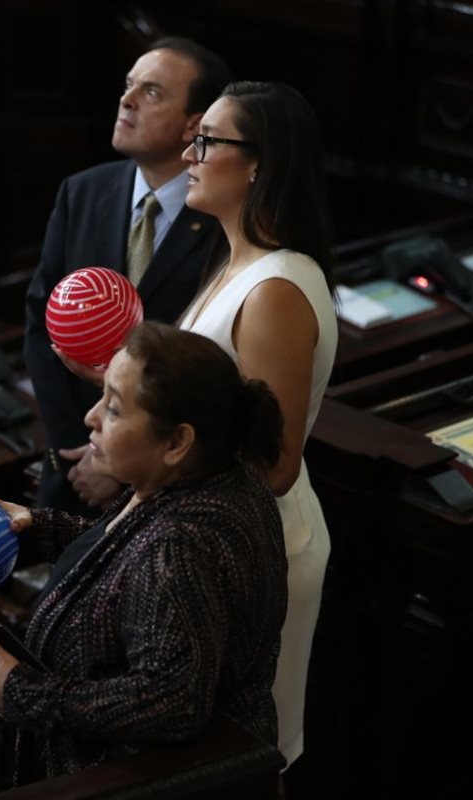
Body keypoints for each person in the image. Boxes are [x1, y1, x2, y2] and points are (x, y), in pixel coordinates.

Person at [0, 322, 288, 783]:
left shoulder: (178, 548)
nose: (92, 417)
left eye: (113, 408)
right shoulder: (221, 474)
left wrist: (24, 695)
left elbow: (171, 702)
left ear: (176, 443)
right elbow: (132, 559)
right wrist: (42, 529)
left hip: (140, 783)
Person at [177, 80, 338, 766]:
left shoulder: (275, 288)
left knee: (242, 755)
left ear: (258, 165)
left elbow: (273, 464)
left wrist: (155, 461)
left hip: (255, 551)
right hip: (213, 536)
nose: (190, 150)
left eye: (208, 140)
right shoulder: (236, 263)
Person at [23, 37, 231, 515]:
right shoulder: (82, 191)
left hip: (167, 485)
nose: (127, 100)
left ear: (194, 126)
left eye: (152, 92)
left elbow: (207, 368)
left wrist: (123, 464)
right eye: (128, 86)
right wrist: (88, 449)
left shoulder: (222, 221)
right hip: (75, 466)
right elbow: (41, 327)